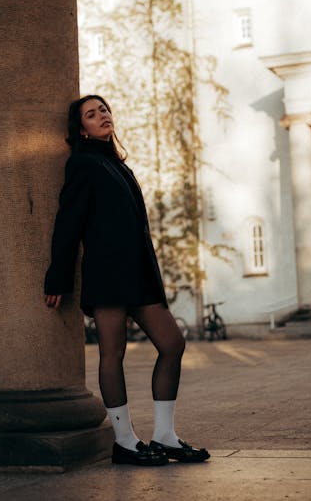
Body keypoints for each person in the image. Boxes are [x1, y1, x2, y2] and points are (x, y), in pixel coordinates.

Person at [44, 95, 210, 467]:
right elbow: (68, 224)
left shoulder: (118, 165)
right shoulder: (82, 164)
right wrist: (57, 279)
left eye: (103, 109)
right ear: (81, 128)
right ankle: (124, 440)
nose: (101, 115)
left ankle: (165, 436)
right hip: (107, 274)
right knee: (112, 354)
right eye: (91, 114)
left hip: (138, 273)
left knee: (172, 343)